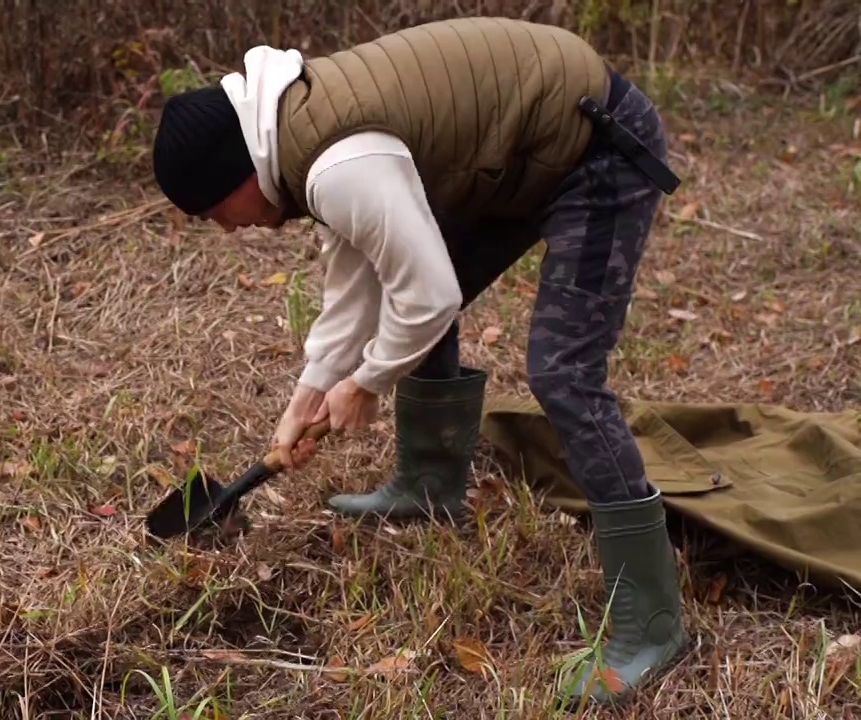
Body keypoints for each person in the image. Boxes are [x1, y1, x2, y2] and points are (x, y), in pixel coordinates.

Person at [150, 16, 686, 705]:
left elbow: (426, 297)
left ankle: (651, 622)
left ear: (236, 171)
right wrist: (307, 397)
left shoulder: (335, 163)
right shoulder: (296, 137)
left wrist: (368, 382)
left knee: (562, 372)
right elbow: (359, 284)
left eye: (213, 210)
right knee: (417, 282)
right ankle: (430, 485)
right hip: (514, 153)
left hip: (593, 145)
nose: (224, 228)